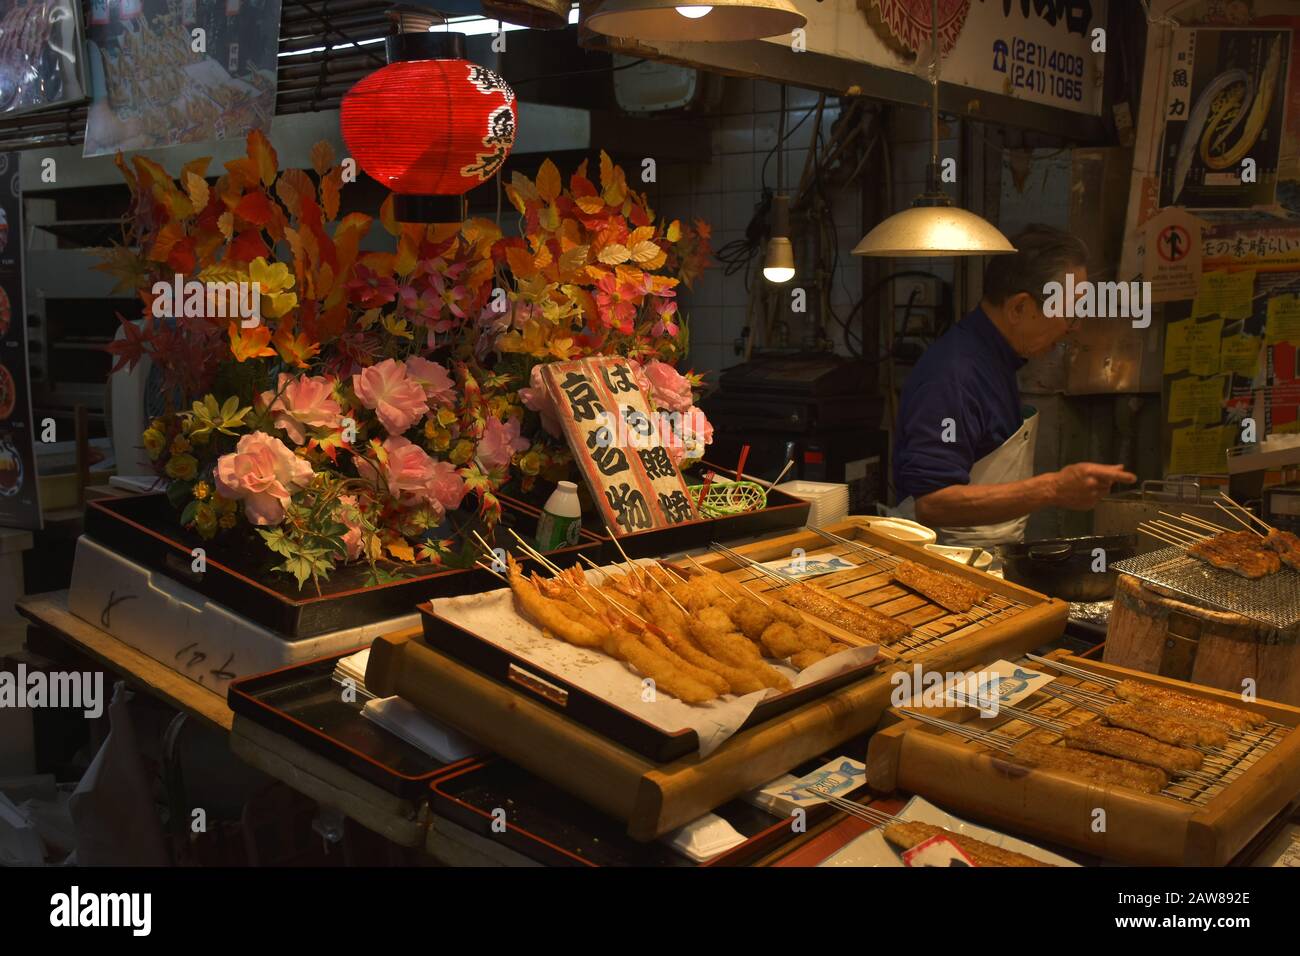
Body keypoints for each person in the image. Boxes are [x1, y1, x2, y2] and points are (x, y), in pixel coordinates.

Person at [890, 224, 1135, 547]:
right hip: (940, 561)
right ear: (1019, 307)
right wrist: (1052, 488)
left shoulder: (998, 358)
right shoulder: (954, 375)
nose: (1074, 327)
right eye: (1069, 312)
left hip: (984, 558)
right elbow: (932, 503)